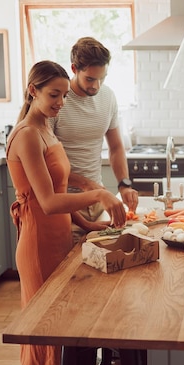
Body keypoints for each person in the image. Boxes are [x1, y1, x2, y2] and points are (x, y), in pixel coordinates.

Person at [0, 60, 126, 365]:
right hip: (38, 245)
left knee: (48, 334)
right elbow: (49, 202)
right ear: (32, 91)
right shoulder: (25, 134)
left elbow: (56, 191)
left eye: (63, 96)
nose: (60, 102)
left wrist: (85, 225)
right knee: (49, 335)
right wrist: (100, 195)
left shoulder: (46, 129)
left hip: (58, 239)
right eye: (54, 95)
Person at [50, 36, 139, 240]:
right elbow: (46, 165)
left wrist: (124, 185)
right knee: (70, 269)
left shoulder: (108, 97)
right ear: (74, 69)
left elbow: (116, 147)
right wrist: (85, 184)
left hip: (98, 202)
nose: (96, 86)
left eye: (102, 78)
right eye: (90, 79)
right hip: (65, 202)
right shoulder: (57, 102)